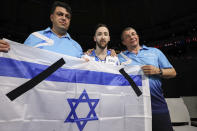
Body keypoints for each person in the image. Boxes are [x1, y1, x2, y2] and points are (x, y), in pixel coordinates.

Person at [118, 27, 176, 131]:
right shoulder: (119, 57)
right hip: (133, 108)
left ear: (137, 36)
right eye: (127, 36)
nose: (131, 36)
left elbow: (173, 72)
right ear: (123, 42)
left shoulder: (155, 52)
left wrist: (158, 71)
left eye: (133, 34)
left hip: (157, 105)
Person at [0, 1, 83, 58]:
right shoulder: (35, 37)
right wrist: (4, 50)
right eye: (60, 14)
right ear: (52, 17)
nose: (64, 18)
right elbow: (19, 59)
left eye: (67, 16)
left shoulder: (77, 47)